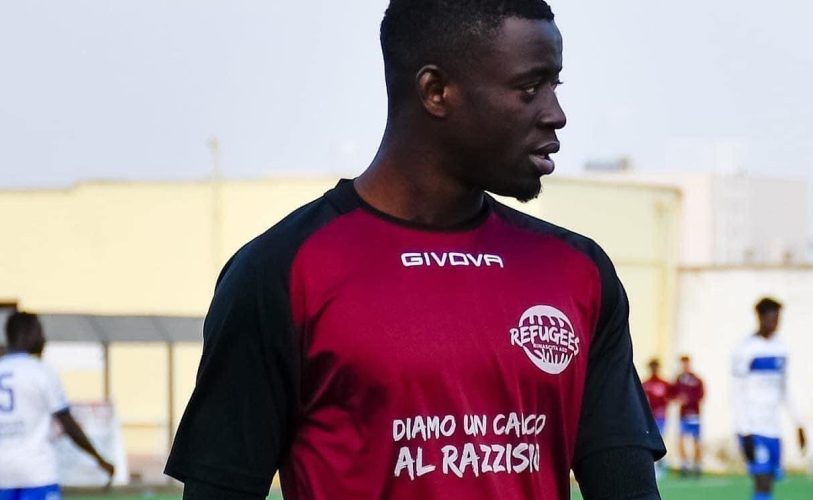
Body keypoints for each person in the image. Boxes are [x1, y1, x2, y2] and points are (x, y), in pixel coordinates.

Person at [165, 1, 665, 499]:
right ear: (435, 91)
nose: (556, 114)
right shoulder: (281, 272)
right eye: (530, 88)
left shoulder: (577, 272)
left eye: (556, 85)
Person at [0, 312, 115, 500]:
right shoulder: (41, 372)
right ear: (27, 333)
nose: (43, 338)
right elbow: (68, 424)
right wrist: (99, 459)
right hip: (37, 473)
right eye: (39, 331)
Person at [732, 297, 806, 500]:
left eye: (778, 318)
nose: (775, 322)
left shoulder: (781, 348)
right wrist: (744, 430)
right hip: (753, 428)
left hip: (773, 428)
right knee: (762, 480)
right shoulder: (746, 349)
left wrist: (798, 422)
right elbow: (737, 391)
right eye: (772, 318)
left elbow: (785, 388)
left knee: (770, 482)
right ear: (761, 317)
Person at [673, 355, 704, 478]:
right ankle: (685, 465)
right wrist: (678, 399)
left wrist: (689, 400)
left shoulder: (696, 379)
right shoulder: (679, 379)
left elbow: (701, 395)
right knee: (681, 439)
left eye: (686, 363)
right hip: (683, 415)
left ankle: (697, 465)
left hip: (695, 414)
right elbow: (672, 394)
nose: (685, 366)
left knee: (696, 440)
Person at [642, 358, 673, 478]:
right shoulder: (645, 384)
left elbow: (671, 396)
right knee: (650, 440)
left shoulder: (664, 383)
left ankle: (661, 466)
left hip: (661, 417)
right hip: (649, 418)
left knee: (660, 439)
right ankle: (653, 466)